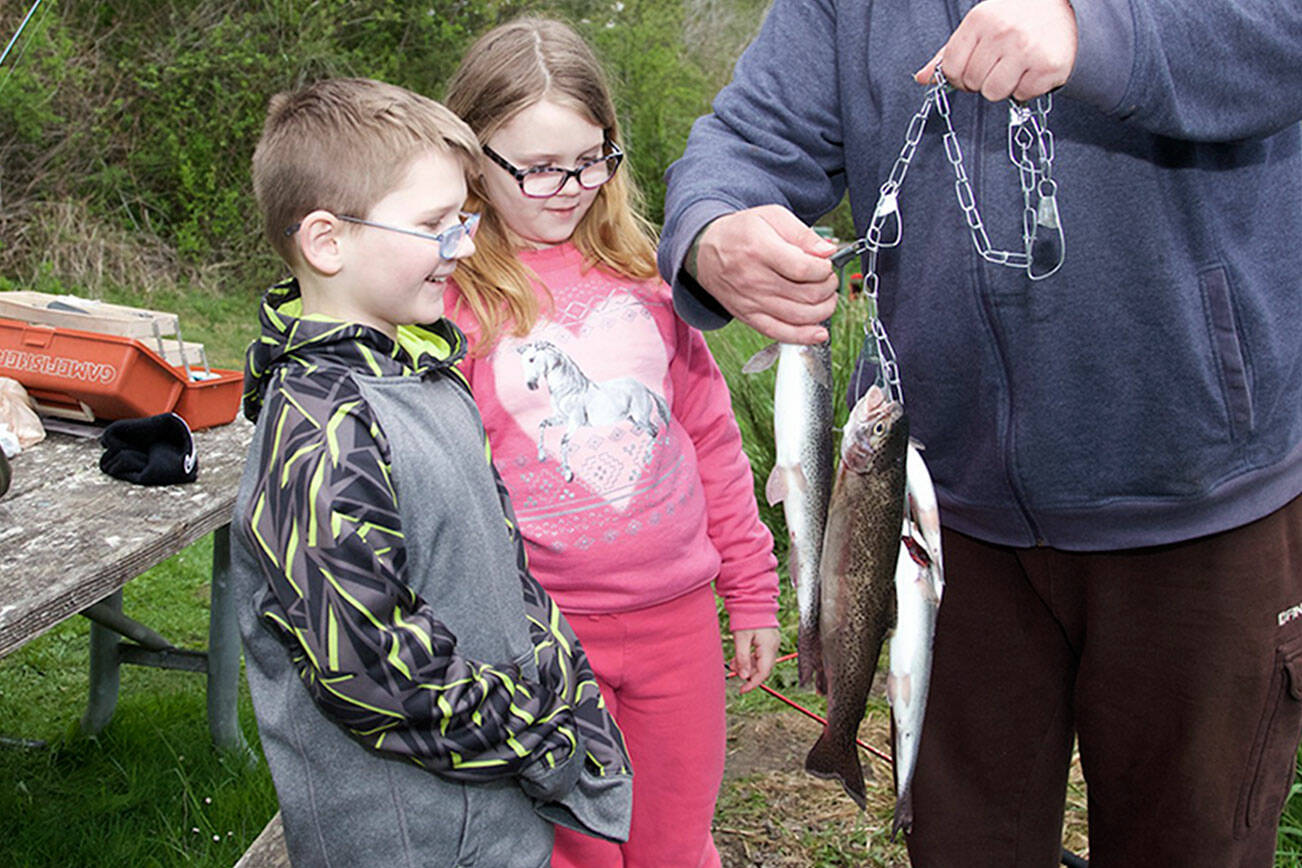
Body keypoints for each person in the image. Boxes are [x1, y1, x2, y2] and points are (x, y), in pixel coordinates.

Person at [658, 1, 1302, 866]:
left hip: (1199, 504)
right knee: (964, 846)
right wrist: (709, 227)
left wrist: (1093, 33)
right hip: (934, 515)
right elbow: (747, 139)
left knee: (1191, 844)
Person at [230, 76, 634, 867]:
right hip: (409, 840)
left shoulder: (426, 372)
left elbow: (501, 569)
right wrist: (540, 739)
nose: (464, 246)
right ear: (326, 241)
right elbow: (371, 667)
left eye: (465, 220)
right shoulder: (320, 429)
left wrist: (564, 687)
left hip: (498, 811)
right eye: (434, 225)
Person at [441, 17, 782, 868]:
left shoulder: (652, 280)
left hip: (679, 630)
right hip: (541, 637)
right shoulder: (450, 305)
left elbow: (712, 442)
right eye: (541, 167)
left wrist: (753, 591)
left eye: (592, 160)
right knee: (578, 850)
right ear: (472, 158)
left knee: (674, 840)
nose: (570, 186)